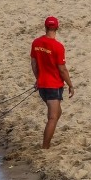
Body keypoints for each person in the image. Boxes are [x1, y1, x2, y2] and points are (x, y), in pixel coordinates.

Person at [30, 16, 74, 149]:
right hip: (53, 86)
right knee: (53, 117)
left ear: (45, 27)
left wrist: (38, 78)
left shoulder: (36, 43)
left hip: (43, 85)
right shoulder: (58, 46)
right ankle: (45, 146)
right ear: (57, 28)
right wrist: (71, 85)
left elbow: (33, 63)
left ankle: (47, 141)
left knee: (57, 113)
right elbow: (62, 69)